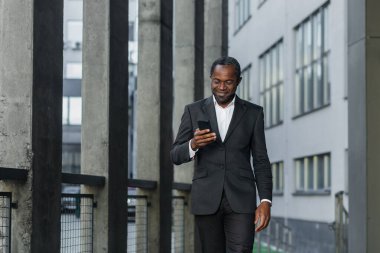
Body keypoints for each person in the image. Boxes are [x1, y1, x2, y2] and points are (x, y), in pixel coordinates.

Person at [170, 56, 273, 253]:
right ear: (211, 79)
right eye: (217, 81)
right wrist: (193, 144)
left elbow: (261, 160)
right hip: (207, 199)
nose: (222, 87)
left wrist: (265, 201)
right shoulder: (193, 111)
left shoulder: (253, 113)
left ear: (238, 81)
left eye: (228, 82)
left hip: (241, 199)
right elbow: (175, 155)